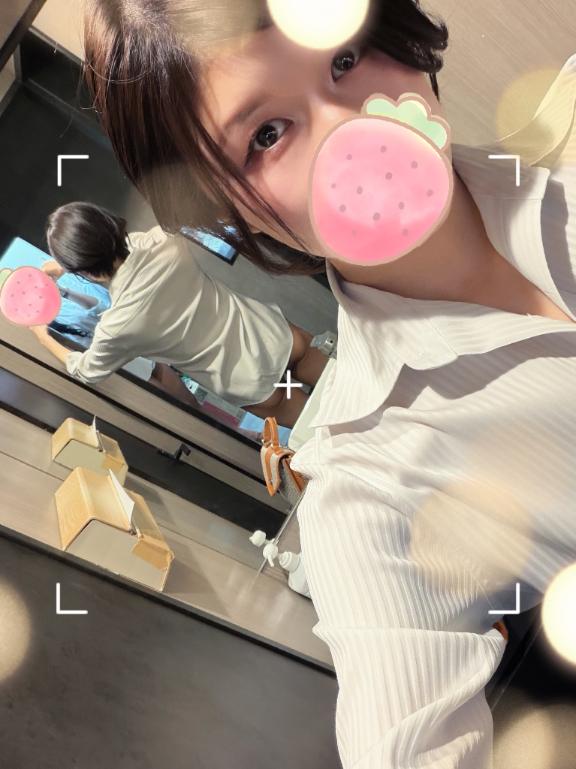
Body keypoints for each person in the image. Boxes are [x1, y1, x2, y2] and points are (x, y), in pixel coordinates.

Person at [83, 1, 576, 766]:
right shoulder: (368, 501)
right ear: (228, 208)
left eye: (345, 58)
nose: (352, 129)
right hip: (288, 349)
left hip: (263, 387)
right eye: (267, 134)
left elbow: (91, 366)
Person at [31, 202, 328, 427]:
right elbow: (128, 251)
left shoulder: (116, 328)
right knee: (350, 381)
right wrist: (70, 265)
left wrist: (41, 335)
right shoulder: (164, 240)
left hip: (249, 381)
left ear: (84, 271)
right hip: (274, 336)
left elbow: (86, 371)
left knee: (334, 426)